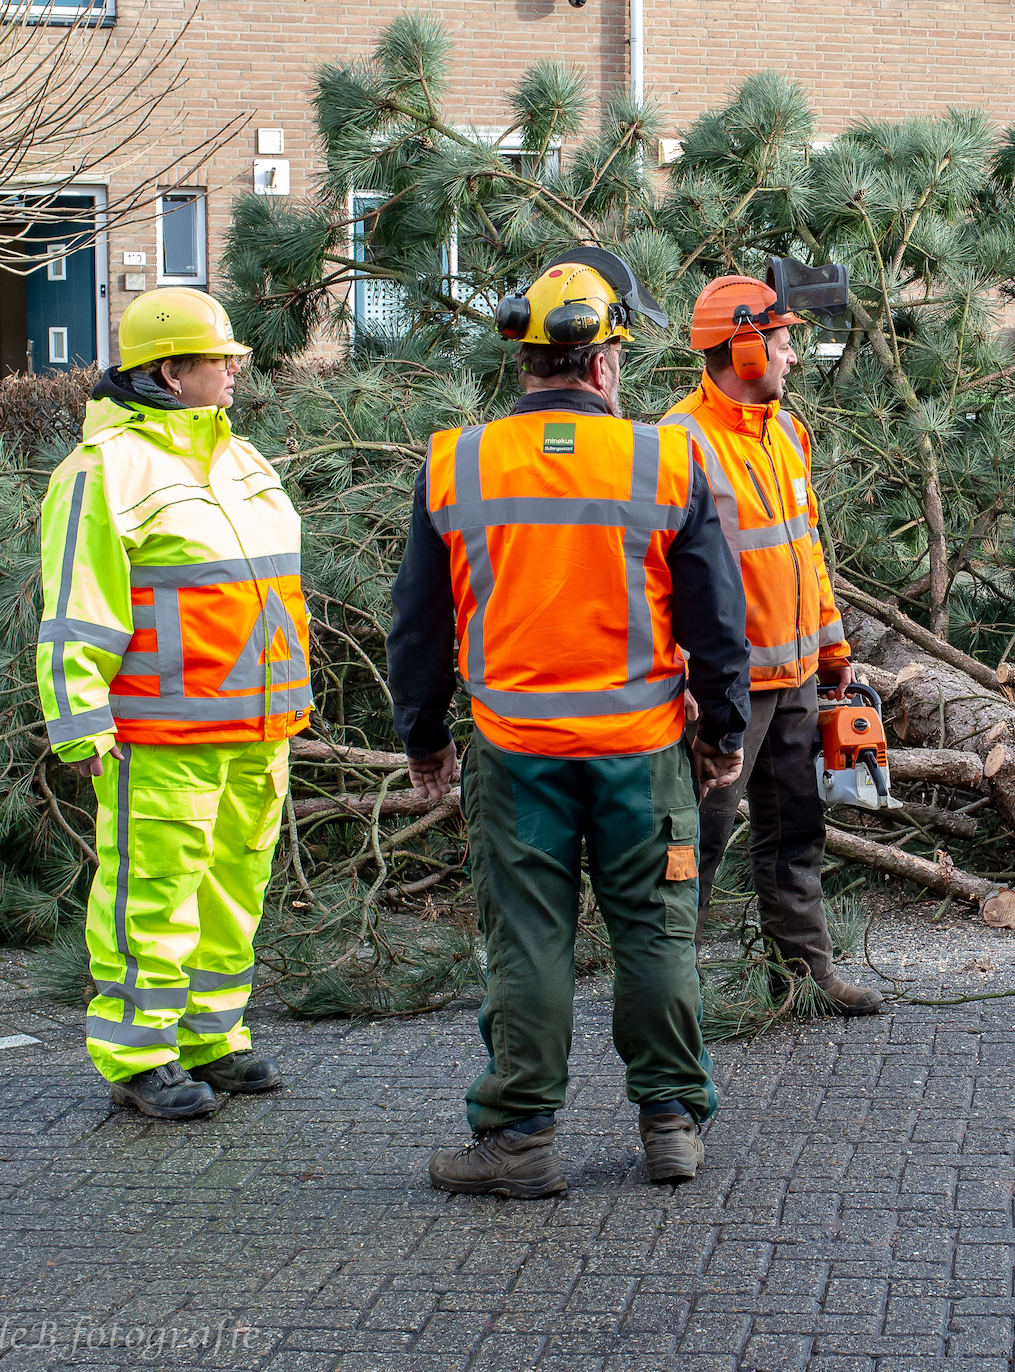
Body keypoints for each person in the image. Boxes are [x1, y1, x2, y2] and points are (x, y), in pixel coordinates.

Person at [388, 248, 751, 1196]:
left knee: (529, 943)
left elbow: (420, 621)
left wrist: (423, 738)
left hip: (517, 758)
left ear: (527, 362)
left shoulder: (457, 462)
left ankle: (520, 1142)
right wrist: (722, 732)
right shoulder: (664, 460)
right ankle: (670, 1123)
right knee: (657, 935)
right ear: (603, 364)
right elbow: (717, 615)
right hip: (641, 756)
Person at [36, 288, 307, 1120]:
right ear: (168, 371)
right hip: (158, 733)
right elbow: (78, 603)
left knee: (233, 886)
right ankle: (137, 1054)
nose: (233, 371)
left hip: (258, 726)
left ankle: (210, 1035)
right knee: (150, 894)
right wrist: (82, 725)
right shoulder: (103, 469)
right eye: (218, 360)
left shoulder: (241, 459)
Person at [661, 275, 882, 1017]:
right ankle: (669, 991)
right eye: (783, 342)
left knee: (798, 830)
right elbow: (660, 576)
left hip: (794, 676)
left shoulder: (786, 431)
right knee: (696, 843)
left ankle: (805, 975)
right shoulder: (679, 441)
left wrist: (833, 647)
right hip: (723, 686)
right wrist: (687, 681)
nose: (792, 356)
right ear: (746, 348)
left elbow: (803, 548)